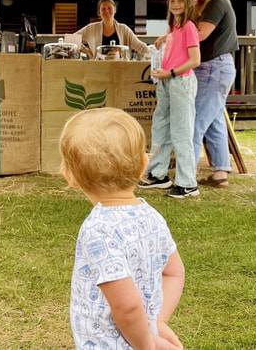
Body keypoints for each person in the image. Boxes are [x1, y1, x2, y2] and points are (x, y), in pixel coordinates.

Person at [60, 107, 185, 350]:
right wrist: (156, 322)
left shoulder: (98, 230)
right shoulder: (152, 217)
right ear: (143, 165)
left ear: (70, 176)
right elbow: (174, 272)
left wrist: (148, 345)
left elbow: (127, 307)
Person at [139, 0, 201, 199]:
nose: (175, 4)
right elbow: (175, 44)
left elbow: (195, 60)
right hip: (166, 82)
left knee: (181, 131)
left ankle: (188, 183)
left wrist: (171, 72)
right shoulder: (174, 27)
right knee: (161, 127)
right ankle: (158, 175)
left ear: (188, 4)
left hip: (180, 81)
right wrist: (163, 39)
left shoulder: (190, 27)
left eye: (180, 1)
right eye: (172, 1)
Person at [191, 0, 238, 188]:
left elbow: (200, 35)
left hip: (213, 67)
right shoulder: (214, 4)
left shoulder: (216, 3)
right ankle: (221, 172)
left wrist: (172, 41)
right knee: (214, 120)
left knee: (196, 121)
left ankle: (186, 173)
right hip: (219, 66)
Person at [77, 0, 150, 59]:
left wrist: (155, 55)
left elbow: (141, 47)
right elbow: (71, 38)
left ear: (115, 10)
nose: (107, 11)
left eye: (109, 8)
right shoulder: (91, 28)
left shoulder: (124, 29)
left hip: (121, 70)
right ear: (99, 13)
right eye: (103, 9)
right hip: (98, 69)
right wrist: (87, 51)